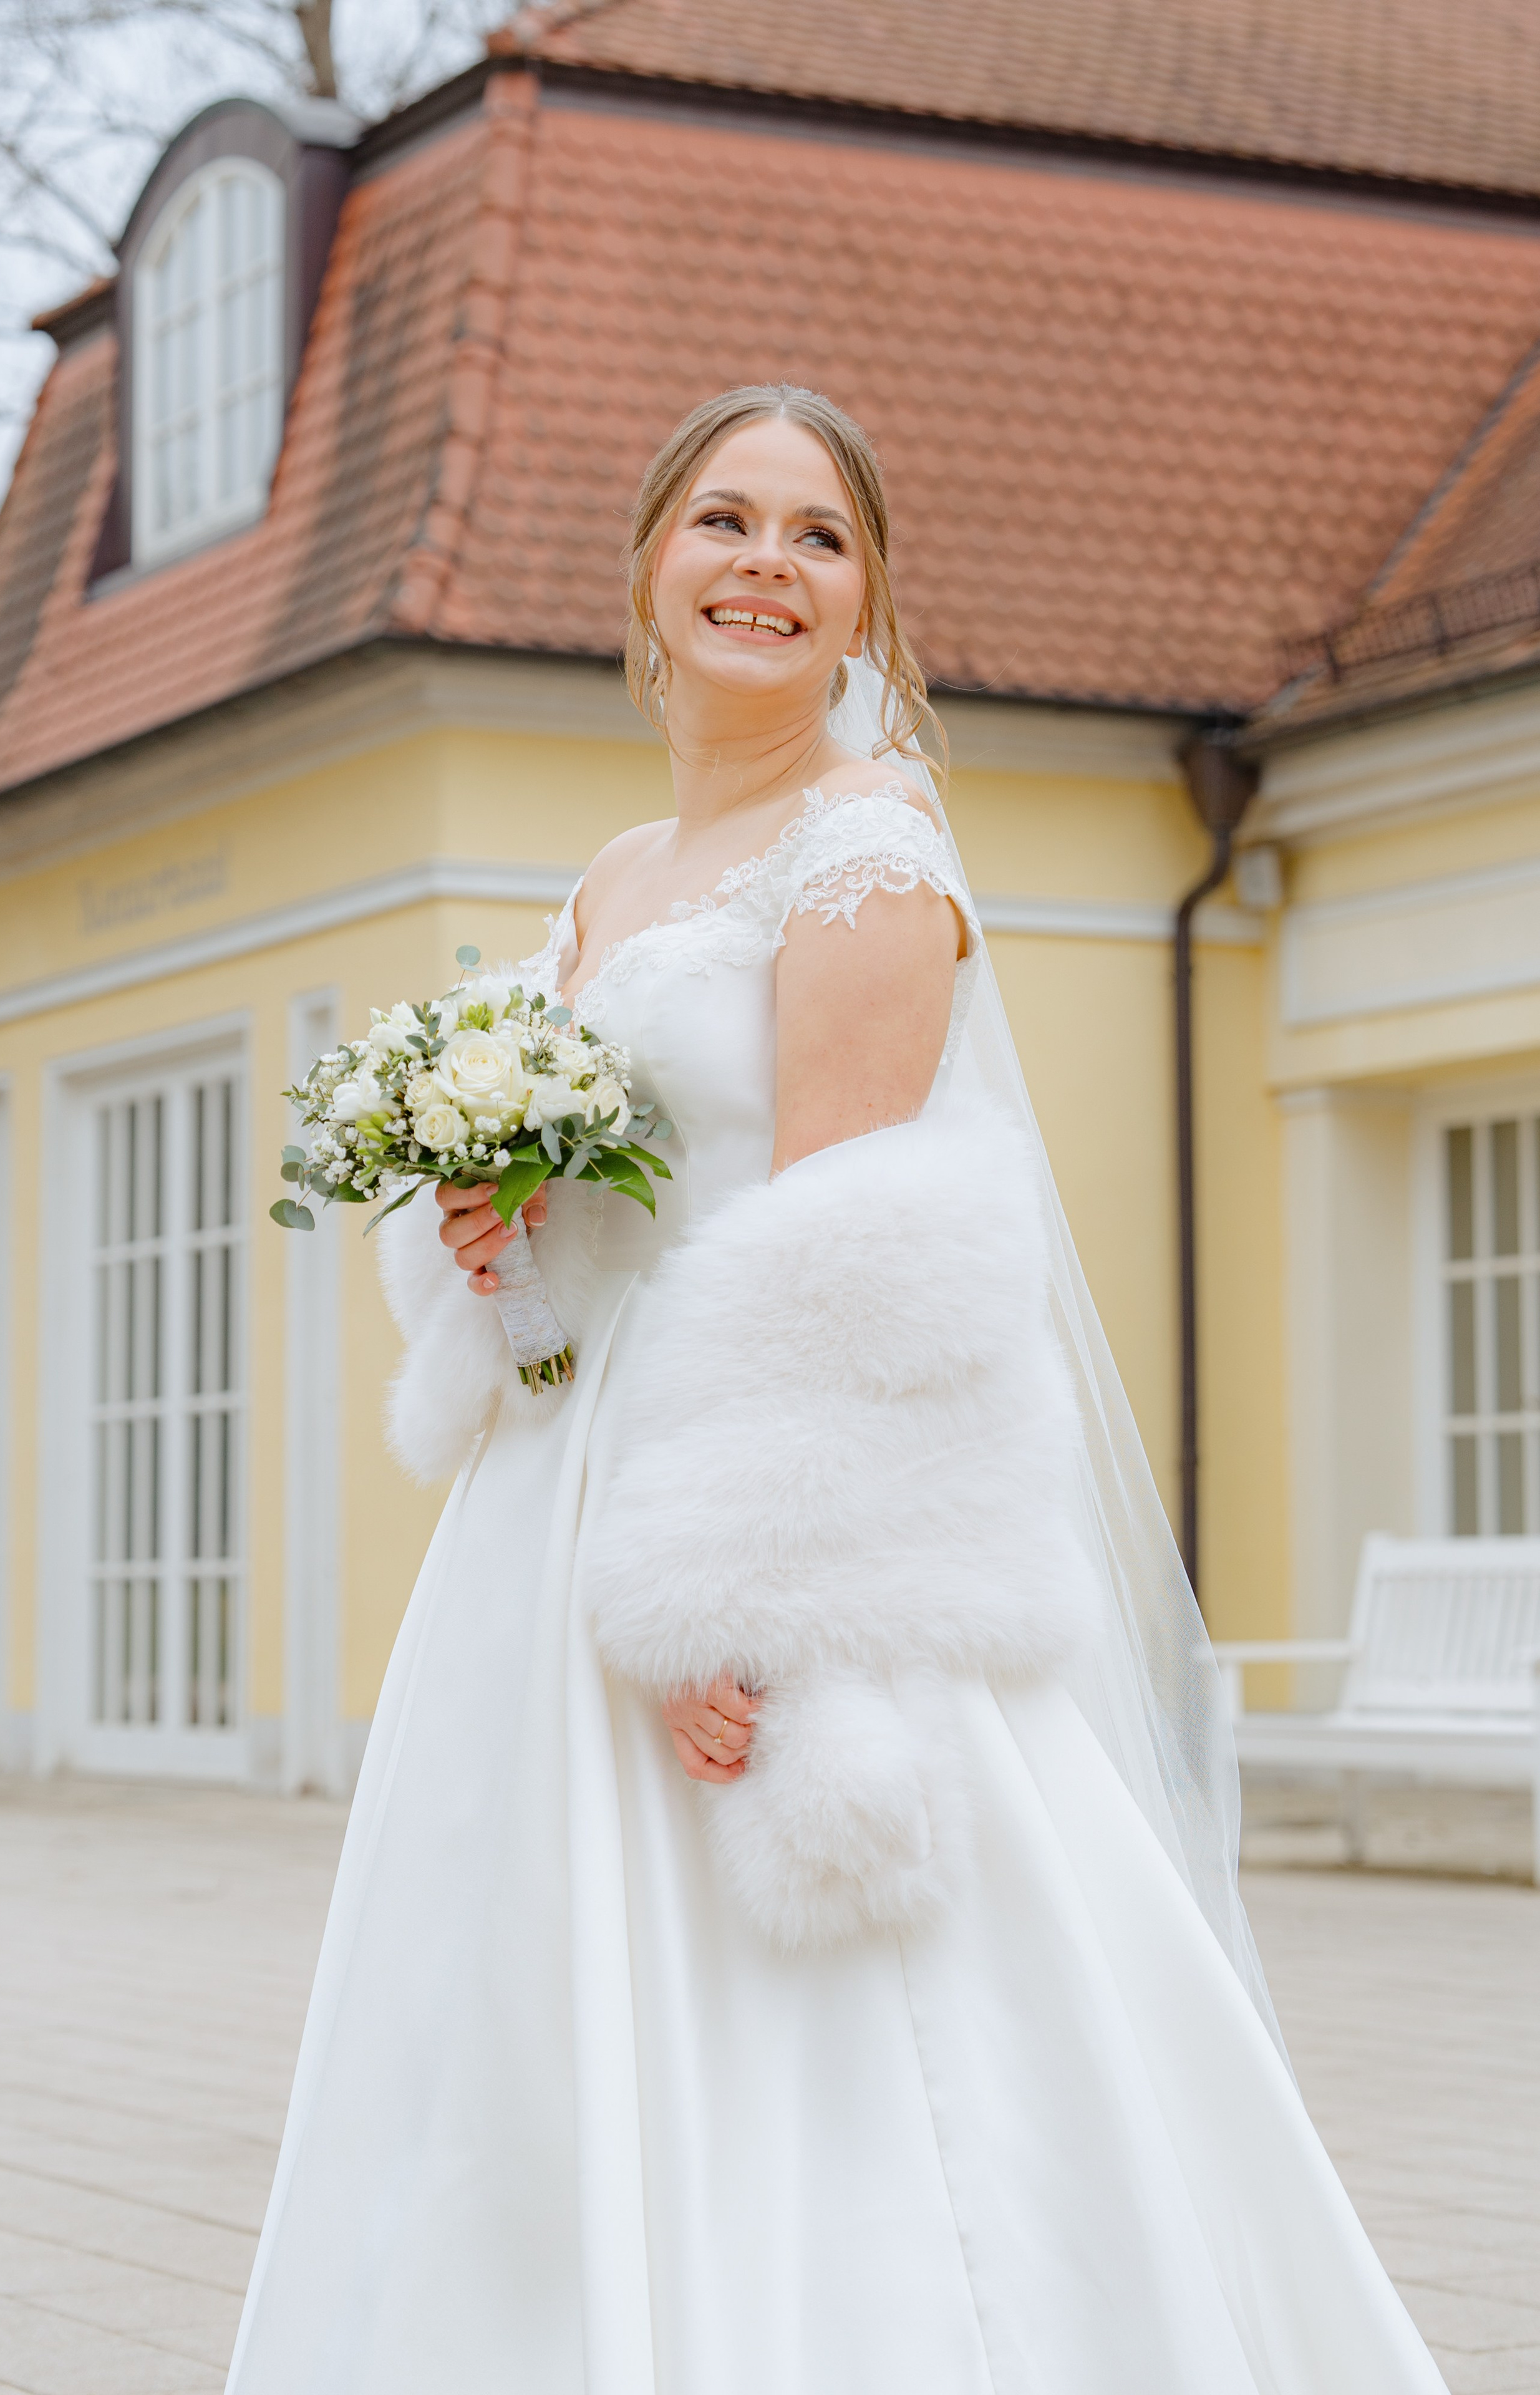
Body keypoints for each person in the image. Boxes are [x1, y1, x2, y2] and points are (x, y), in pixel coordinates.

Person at [226, 385, 1448, 2394]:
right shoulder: (619, 872)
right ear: (648, 569)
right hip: (551, 1531)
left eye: (816, 535)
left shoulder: (864, 856)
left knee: (835, 2061)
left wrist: (744, 1613)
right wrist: (492, 1229)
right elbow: (609, 1238)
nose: (765, 567)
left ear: (868, 597)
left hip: (754, 1545)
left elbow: (851, 1267)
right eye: (725, 521)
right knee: (509, 2039)